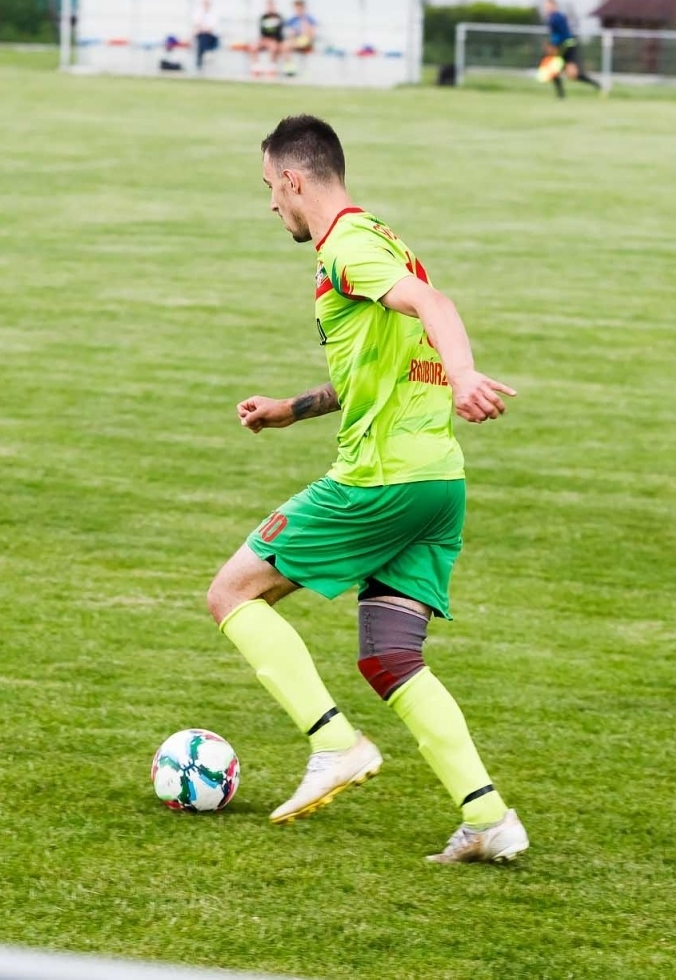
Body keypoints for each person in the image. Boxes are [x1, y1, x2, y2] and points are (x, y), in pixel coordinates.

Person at [206, 114, 528, 864]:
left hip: (379, 482)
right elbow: (377, 368)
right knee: (391, 658)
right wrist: (294, 408)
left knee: (231, 594)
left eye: (268, 189)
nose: (271, 206)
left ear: (293, 179)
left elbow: (436, 308)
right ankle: (488, 819)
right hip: (437, 484)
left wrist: (465, 372)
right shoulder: (382, 238)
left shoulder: (347, 248)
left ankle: (335, 744)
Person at [542, 0, 602, 98]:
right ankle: (561, 95)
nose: (546, 8)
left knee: (571, 74)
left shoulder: (555, 18)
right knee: (556, 71)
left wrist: (554, 46)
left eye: (548, 6)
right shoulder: (556, 17)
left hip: (566, 47)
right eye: (545, 7)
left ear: (554, 6)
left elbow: (560, 35)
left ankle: (597, 85)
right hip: (566, 46)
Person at [282, 0, 318, 77]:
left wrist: (304, 27)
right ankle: (289, 69)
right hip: (295, 41)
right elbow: (288, 31)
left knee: (289, 44)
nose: (297, 11)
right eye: (296, 9)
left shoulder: (309, 19)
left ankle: (290, 69)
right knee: (285, 45)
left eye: (299, 9)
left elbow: (312, 34)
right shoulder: (292, 19)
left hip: (306, 41)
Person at [255, 0, 285, 77]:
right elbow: (262, 31)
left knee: (273, 47)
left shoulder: (279, 17)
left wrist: (272, 40)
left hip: (276, 41)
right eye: (268, 6)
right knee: (253, 47)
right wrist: (265, 40)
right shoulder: (263, 17)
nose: (270, 7)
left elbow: (279, 32)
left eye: (271, 5)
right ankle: (256, 69)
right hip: (265, 40)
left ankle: (271, 69)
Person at [193, 0, 220, 72]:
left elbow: (212, 28)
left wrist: (204, 29)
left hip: (210, 36)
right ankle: (202, 59)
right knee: (201, 39)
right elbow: (197, 25)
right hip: (201, 35)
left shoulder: (213, 14)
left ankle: (204, 56)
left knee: (203, 39)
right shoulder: (199, 13)